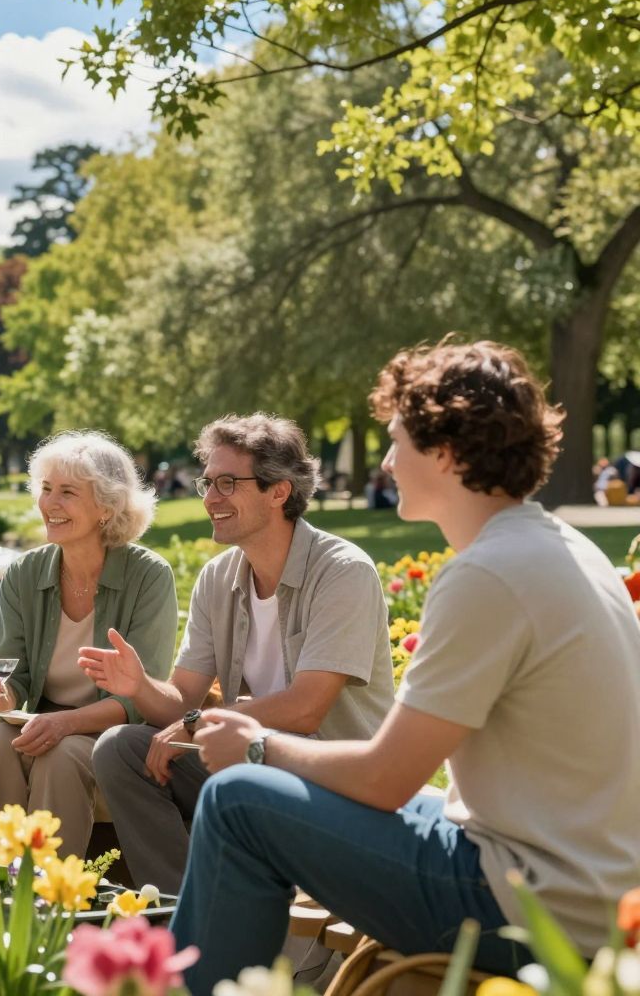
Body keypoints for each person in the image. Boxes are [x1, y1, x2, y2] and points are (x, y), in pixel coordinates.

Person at [165, 342, 640, 995]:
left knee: (235, 799)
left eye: (397, 442)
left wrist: (254, 744)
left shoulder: (487, 576)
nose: (387, 462)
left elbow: (385, 779)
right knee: (314, 791)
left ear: (445, 452)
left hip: (532, 905)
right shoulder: (563, 549)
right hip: (585, 882)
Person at [83, 414, 394, 892]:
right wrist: (140, 686)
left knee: (221, 762)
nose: (209, 499)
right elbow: (182, 698)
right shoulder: (218, 577)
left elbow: (307, 707)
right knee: (122, 749)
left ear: (279, 491)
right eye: (208, 483)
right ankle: (182, 906)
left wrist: (197, 724)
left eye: (227, 483)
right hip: (248, 756)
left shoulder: (342, 572)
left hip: (330, 774)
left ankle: (227, 913)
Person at [0, 430, 178, 859]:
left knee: (60, 756)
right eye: (46, 489)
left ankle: (50, 902)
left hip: (113, 734)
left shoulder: (149, 577)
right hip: (38, 723)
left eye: (67, 493)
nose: (50, 504)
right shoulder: (24, 573)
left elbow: (139, 698)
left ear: (106, 507)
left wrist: (65, 723)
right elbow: (13, 683)